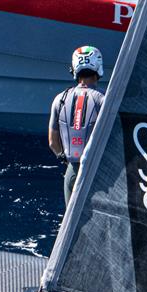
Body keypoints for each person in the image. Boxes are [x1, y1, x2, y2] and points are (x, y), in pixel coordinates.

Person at [49, 45, 106, 205]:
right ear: (98, 68)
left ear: (74, 69)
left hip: (72, 172)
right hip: (98, 173)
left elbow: (53, 143)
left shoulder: (59, 99)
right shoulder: (104, 100)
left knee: (72, 226)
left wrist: (67, 161)